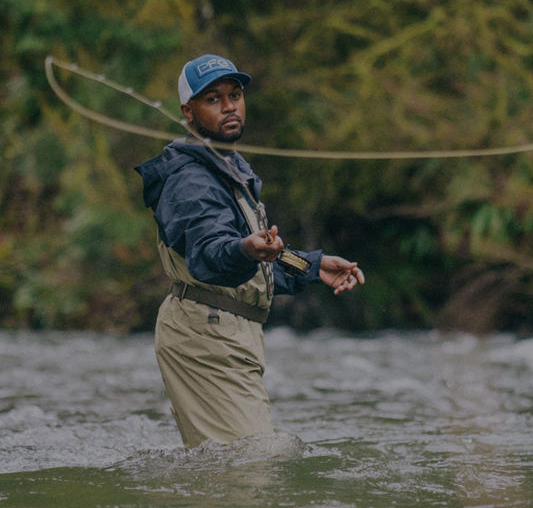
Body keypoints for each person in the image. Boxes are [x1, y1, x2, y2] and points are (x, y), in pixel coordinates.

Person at [135, 53, 365, 447]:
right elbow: (211, 254)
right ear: (188, 113)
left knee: (231, 469)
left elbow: (261, 256)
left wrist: (311, 265)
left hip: (223, 332)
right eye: (213, 98)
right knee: (251, 467)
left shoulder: (226, 169)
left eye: (235, 94)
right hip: (207, 336)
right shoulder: (191, 182)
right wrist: (244, 248)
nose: (229, 106)